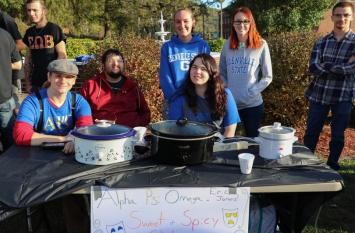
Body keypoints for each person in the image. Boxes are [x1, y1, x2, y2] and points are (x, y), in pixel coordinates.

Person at [304, 2, 355, 170]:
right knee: (311, 132)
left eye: (346, 15)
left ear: (351, 17)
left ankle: (332, 164)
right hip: (319, 94)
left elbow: (352, 69)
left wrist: (326, 66)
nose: (342, 18)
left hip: (343, 96)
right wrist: (341, 67)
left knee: (338, 135)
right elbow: (313, 67)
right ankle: (307, 162)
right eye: (338, 15)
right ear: (332, 17)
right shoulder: (322, 42)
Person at [13, 59, 93, 153]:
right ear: (49, 77)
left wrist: (76, 141)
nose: (63, 81)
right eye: (58, 76)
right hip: (36, 153)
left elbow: (86, 131)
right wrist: (65, 139)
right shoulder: (32, 101)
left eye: (68, 77)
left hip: (68, 153)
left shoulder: (79, 102)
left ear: (74, 81)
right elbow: (20, 135)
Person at [219, 6, 272, 138]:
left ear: (250, 23)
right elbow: (221, 72)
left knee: (252, 142)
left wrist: (251, 92)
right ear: (233, 23)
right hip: (230, 104)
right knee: (228, 142)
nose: (241, 25)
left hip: (252, 105)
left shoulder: (261, 44)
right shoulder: (227, 45)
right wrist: (227, 90)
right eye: (237, 21)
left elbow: (267, 76)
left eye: (245, 21)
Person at [168, 53, 240, 138]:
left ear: (211, 73)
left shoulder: (225, 95)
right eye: (194, 67)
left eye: (203, 69)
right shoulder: (179, 98)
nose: (198, 71)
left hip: (220, 146)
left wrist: (220, 149)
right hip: (189, 146)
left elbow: (230, 130)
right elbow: (175, 131)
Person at [80, 49, 151, 128]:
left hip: (129, 134)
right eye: (111, 61)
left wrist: (136, 126)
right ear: (103, 64)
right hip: (100, 134)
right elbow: (79, 112)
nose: (115, 64)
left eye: (119, 61)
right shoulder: (91, 85)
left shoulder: (132, 87)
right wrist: (92, 125)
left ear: (123, 64)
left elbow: (145, 113)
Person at [159, 8, 211, 102]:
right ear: (174, 24)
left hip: (197, 100)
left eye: (186, 21)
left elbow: (206, 74)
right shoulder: (167, 48)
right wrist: (176, 100)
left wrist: (199, 98)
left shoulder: (203, 46)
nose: (182, 25)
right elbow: (165, 78)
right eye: (178, 22)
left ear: (193, 22)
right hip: (174, 100)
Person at [23, 0, 67, 93]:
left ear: (44, 11)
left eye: (35, 10)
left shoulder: (54, 29)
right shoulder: (29, 32)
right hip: (35, 83)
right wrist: (27, 84)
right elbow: (28, 60)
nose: (31, 13)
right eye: (29, 10)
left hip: (53, 83)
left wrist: (51, 79)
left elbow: (62, 56)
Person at [0, 8, 26, 114]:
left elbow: (21, 44)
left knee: (13, 107)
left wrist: (3, 59)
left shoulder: (6, 19)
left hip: (11, 72)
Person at [0, 28, 22, 153]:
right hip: (4, 95)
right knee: (9, 139)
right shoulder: (5, 35)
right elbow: (18, 64)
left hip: (5, 97)